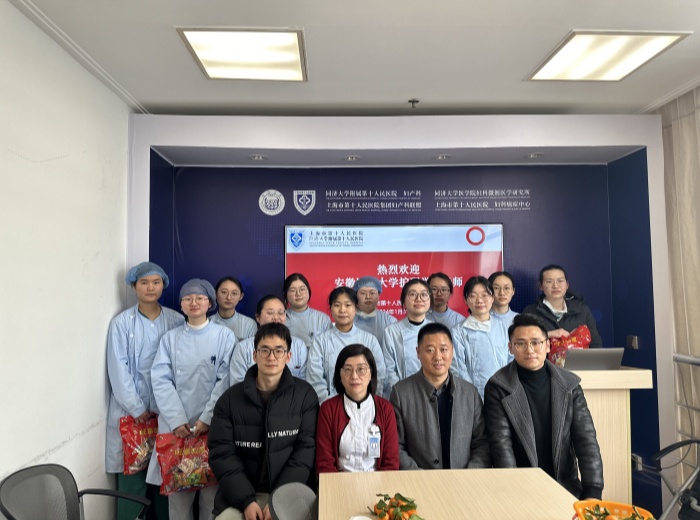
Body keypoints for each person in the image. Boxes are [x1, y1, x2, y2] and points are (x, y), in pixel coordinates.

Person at [483, 313, 603, 499]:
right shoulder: (498, 387)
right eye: (521, 343)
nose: (530, 350)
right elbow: (501, 445)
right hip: (520, 489)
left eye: (536, 342)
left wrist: (593, 490)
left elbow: (586, 440)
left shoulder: (570, 385)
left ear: (547, 345)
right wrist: (512, 492)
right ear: (510, 348)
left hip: (564, 485)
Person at [208, 322, 319, 520]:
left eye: (279, 351)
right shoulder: (229, 400)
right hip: (241, 497)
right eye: (265, 350)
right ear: (254, 355)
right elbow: (222, 455)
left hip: (289, 494)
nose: (271, 357)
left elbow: (304, 453)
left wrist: (280, 500)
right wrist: (246, 501)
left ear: (288, 356)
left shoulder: (305, 396)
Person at [147, 278, 235, 520]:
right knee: (178, 499)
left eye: (199, 298)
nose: (194, 302)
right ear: (181, 305)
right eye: (188, 298)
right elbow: (161, 380)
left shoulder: (224, 336)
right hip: (177, 430)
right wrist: (177, 420)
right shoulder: (170, 339)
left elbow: (226, 380)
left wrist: (208, 418)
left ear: (210, 303)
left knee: (211, 497)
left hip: (212, 428)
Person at [106, 261, 185, 520]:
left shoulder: (176, 320)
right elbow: (118, 369)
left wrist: (170, 408)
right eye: (144, 282)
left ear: (164, 285)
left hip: (166, 414)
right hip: (132, 416)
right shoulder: (121, 323)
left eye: (156, 282)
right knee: (132, 481)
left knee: (166, 478)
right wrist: (137, 407)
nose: (150, 287)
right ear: (133, 286)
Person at [390, 322, 490, 470]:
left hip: (464, 480)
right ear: (418, 352)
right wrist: (419, 477)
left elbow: (482, 443)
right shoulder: (401, 393)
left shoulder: (470, 393)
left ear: (452, 351)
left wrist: (469, 476)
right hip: (419, 480)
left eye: (443, 349)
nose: (438, 357)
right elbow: (396, 445)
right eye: (430, 350)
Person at [315, 344, 399, 473]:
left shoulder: (385, 409)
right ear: (340, 375)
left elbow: (391, 463)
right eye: (348, 370)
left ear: (371, 374)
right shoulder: (328, 409)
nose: (354, 376)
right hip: (339, 482)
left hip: (378, 482)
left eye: (361, 369)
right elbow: (324, 464)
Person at [307, 287, 387, 402]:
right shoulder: (320, 341)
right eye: (337, 305)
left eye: (348, 305)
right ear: (330, 309)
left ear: (356, 308)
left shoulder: (369, 340)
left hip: (365, 405)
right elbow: (315, 379)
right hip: (330, 406)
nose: (342, 310)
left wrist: (367, 402)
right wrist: (331, 406)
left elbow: (379, 374)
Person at [451, 276, 511, 399]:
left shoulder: (503, 327)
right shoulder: (458, 331)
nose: (479, 300)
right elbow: (458, 367)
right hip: (473, 394)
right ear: (466, 300)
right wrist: (472, 394)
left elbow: (511, 359)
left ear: (492, 298)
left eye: (485, 295)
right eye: (473, 296)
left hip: (503, 391)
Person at [229, 295, 308, 384]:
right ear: (257, 317)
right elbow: (238, 384)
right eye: (270, 313)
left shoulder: (299, 345)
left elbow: (303, 382)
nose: (276, 317)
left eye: (280, 313)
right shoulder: (243, 348)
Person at [522, 264, 602, 348]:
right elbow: (522, 341)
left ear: (567, 285)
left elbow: (596, 344)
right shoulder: (530, 312)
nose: (556, 286)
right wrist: (549, 334)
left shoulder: (582, 309)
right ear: (541, 286)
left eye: (560, 281)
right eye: (549, 281)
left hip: (578, 357)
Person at [382, 278, 434, 395]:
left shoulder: (437, 330)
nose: (419, 299)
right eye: (413, 294)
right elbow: (389, 370)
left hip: (432, 392)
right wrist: (401, 394)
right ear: (404, 301)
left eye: (424, 295)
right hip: (401, 393)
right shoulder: (391, 332)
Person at [283, 273, 331, 348]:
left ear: (309, 291)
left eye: (302, 289)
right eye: (292, 290)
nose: (298, 294)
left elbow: (329, 347)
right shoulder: (281, 318)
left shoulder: (323, 319)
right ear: (285, 294)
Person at [210, 276, 257, 342]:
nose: (229, 297)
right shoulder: (207, 322)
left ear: (241, 296)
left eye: (234, 293)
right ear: (215, 294)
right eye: (224, 292)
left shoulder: (249, 324)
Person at [352, 276, 397, 340]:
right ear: (356, 295)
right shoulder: (347, 319)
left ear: (379, 295)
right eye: (363, 293)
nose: (368, 297)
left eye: (372, 293)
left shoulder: (389, 321)